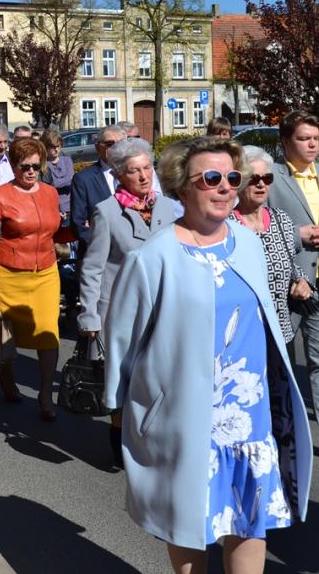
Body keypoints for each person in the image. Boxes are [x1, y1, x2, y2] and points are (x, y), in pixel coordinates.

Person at [103, 136, 312, 573]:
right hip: (185, 418)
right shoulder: (153, 258)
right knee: (189, 526)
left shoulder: (247, 242)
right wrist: (127, 411)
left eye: (232, 178)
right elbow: (124, 338)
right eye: (211, 178)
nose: (225, 188)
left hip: (250, 416)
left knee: (250, 523)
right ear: (182, 188)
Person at [77, 138, 175, 464]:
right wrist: (89, 315)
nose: (144, 176)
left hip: (162, 309)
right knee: (122, 382)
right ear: (120, 175)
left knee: (159, 379)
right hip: (119, 312)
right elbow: (93, 268)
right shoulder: (107, 212)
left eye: (147, 168)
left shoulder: (167, 207)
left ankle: (153, 441)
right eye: (135, 171)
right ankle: (121, 446)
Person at [0, 138, 64, 421]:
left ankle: (45, 394)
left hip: (45, 272)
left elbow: (54, 231)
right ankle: (6, 378)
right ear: (13, 165)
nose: (31, 171)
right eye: (24, 166)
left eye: (36, 165)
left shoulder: (50, 193)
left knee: (48, 333)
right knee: (5, 336)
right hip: (9, 274)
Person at [267, 109, 319, 425]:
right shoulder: (268, 176)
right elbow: (256, 225)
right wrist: (297, 235)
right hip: (288, 284)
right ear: (286, 142)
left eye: (316, 138)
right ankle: (280, 426)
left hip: (317, 283)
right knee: (278, 359)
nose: (312, 144)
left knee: (317, 361)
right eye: (304, 138)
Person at [230, 145, 311, 345]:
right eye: (253, 179)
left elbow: (292, 264)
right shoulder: (227, 226)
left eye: (267, 178)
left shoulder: (281, 219)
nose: (261, 184)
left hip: (281, 332)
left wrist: (302, 281)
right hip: (243, 334)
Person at [70, 124, 127, 255]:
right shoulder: (83, 179)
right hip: (99, 254)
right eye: (110, 144)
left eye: (120, 143)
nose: (116, 148)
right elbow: (78, 225)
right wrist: (105, 246)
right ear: (98, 148)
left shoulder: (134, 173)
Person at [41, 129, 74, 220]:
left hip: (70, 206)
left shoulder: (67, 160)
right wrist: (65, 181)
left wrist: (55, 183)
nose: (56, 149)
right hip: (52, 207)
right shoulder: (43, 164)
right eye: (53, 147)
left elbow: (71, 181)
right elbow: (48, 186)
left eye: (58, 146)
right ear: (45, 147)